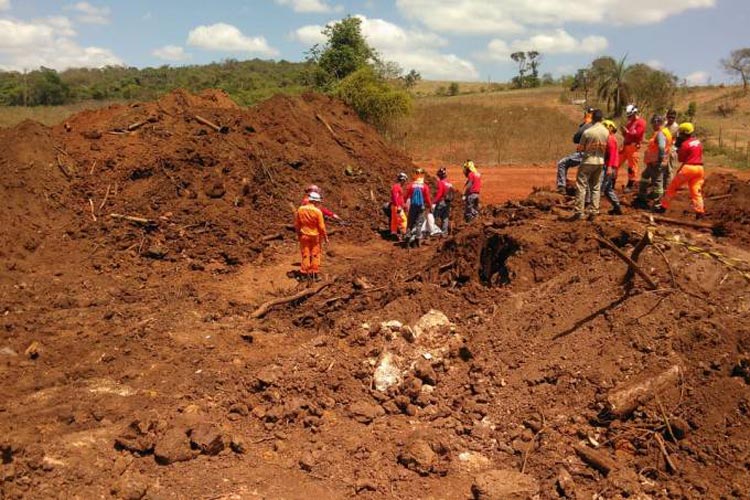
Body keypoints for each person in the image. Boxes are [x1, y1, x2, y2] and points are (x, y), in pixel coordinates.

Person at [655, 122, 705, 217]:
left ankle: (663, 207)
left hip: (688, 168)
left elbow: (681, 159)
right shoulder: (698, 142)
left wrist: (678, 149)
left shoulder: (685, 145)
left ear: (682, 133)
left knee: (672, 188)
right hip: (700, 169)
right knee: (695, 191)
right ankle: (700, 211)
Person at [572, 109, 608, 221]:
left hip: (588, 161)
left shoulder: (588, 132)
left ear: (592, 118)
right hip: (600, 161)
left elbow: (580, 148)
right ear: (601, 119)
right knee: (596, 187)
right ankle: (594, 212)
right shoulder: (606, 132)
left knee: (581, 186)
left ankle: (579, 212)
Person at [634, 115, 672, 208]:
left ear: (657, 122)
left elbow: (662, 147)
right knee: (645, 176)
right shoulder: (665, 132)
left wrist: (660, 159)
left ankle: (657, 203)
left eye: (653, 124)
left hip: (656, 163)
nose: (652, 126)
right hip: (653, 162)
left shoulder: (661, 133)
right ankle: (642, 196)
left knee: (657, 183)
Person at [556, 107, 594, 194]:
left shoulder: (587, 125)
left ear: (587, 114)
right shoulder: (600, 126)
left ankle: (561, 186)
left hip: (584, 154)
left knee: (562, 163)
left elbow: (576, 139)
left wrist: (584, 125)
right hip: (597, 155)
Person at [294, 191, 328, 282]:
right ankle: (314, 274)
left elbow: (297, 224)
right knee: (315, 254)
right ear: (315, 201)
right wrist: (325, 237)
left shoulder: (300, 209)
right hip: (315, 236)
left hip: (304, 235)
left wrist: (298, 234)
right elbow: (321, 227)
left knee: (305, 254)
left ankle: (304, 275)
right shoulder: (318, 212)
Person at [618, 104, 647, 192]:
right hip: (626, 145)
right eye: (628, 116)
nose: (629, 117)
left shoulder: (641, 122)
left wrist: (627, 132)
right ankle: (611, 181)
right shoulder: (629, 123)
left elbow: (637, 135)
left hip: (633, 147)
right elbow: (626, 135)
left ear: (634, 113)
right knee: (616, 162)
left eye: (630, 116)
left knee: (632, 167)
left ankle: (630, 185)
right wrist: (624, 133)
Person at [404, 168, 432, 247]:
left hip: (413, 206)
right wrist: (430, 206)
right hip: (421, 207)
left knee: (410, 223)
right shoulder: (425, 186)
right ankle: (417, 241)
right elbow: (427, 198)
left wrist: (403, 204)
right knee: (419, 224)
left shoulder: (411, 185)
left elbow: (406, 196)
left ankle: (407, 239)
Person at [601, 120, 623, 215]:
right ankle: (617, 207)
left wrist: (609, 167)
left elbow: (612, 155)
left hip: (609, 167)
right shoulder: (611, 138)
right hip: (611, 167)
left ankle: (591, 208)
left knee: (600, 188)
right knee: (608, 189)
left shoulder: (610, 139)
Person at [433, 167, 454, 234]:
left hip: (441, 202)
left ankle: (435, 231)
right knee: (445, 217)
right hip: (448, 202)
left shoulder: (441, 182)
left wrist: (434, 202)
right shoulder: (449, 183)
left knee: (435, 215)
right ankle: (445, 232)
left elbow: (439, 194)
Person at [389, 173, 408, 241]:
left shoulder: (397, 186)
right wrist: (398, 206)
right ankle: (404, 234)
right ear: (402, 180)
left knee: (394, 221)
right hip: (397, 207)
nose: (404, 182)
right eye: (404, 181)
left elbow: (398, 198)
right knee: (403, 220)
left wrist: (403, 205)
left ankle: (394, 234)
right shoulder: (397, 187)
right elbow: (395, 197)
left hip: (395, 206)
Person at [664, 109, 680, 188]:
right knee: (662, 168)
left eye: (672, 117)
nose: (671, 119)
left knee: (669, 169)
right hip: (663, 148)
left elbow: (678, 140)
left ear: (675, 118)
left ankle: (669, 187)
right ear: (667, 117)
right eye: (669, 117)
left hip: (671, 149)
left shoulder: (676, 127)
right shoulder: (664, 124)